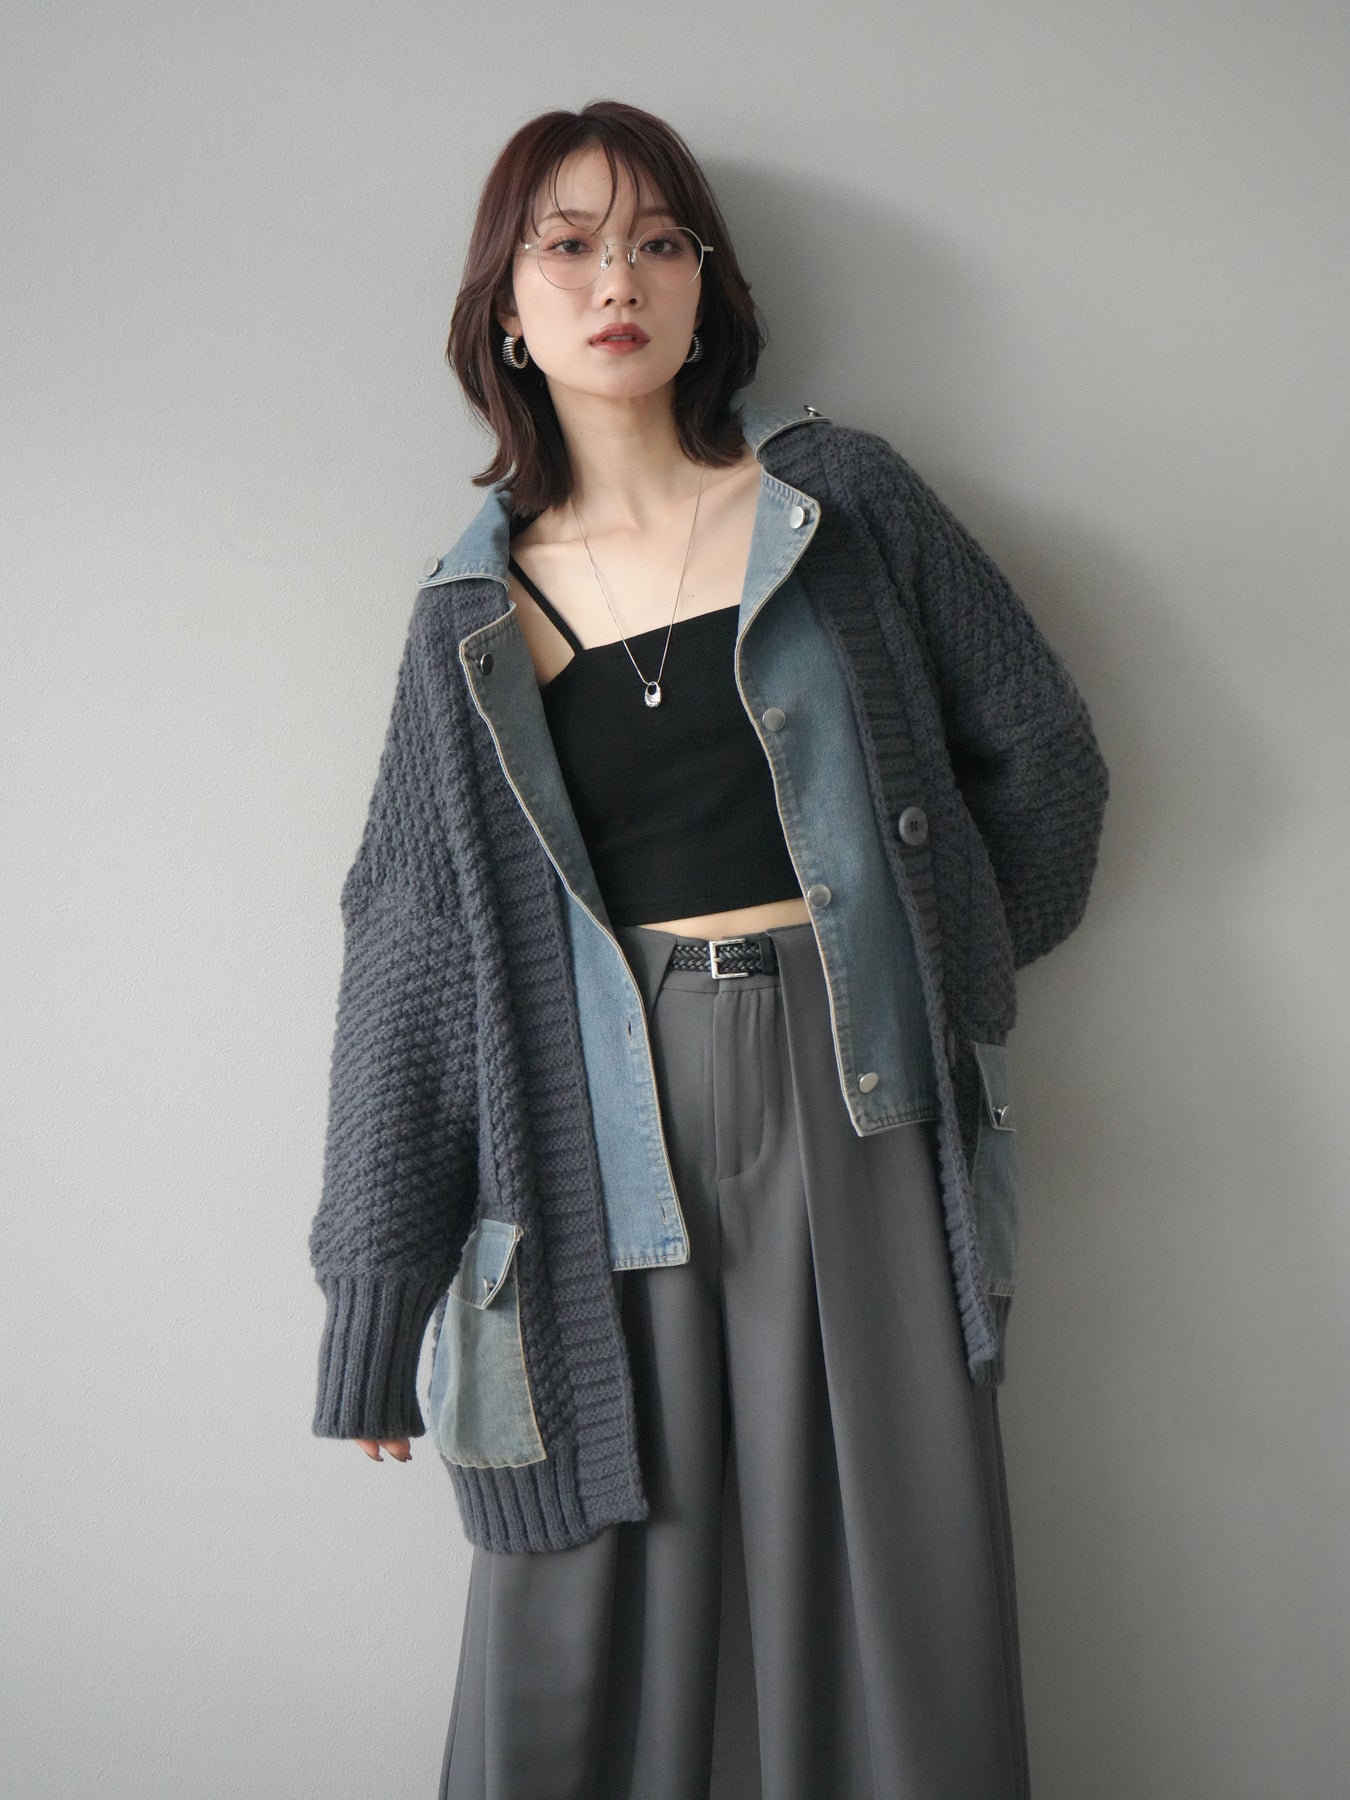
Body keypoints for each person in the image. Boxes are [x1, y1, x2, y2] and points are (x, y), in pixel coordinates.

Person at [307, 98, 1110, 1800]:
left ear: (706, 289)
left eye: (658, 242)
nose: (618, 280)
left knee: (902, 1582)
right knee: (580, 1591)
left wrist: (941, 964)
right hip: (595, 1126)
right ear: (504, 312)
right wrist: (378, 1294)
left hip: (860, 1091)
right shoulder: (466, 620)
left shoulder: (837, 502)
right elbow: (408, 957)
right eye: (569, 246)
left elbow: (1040, 754)